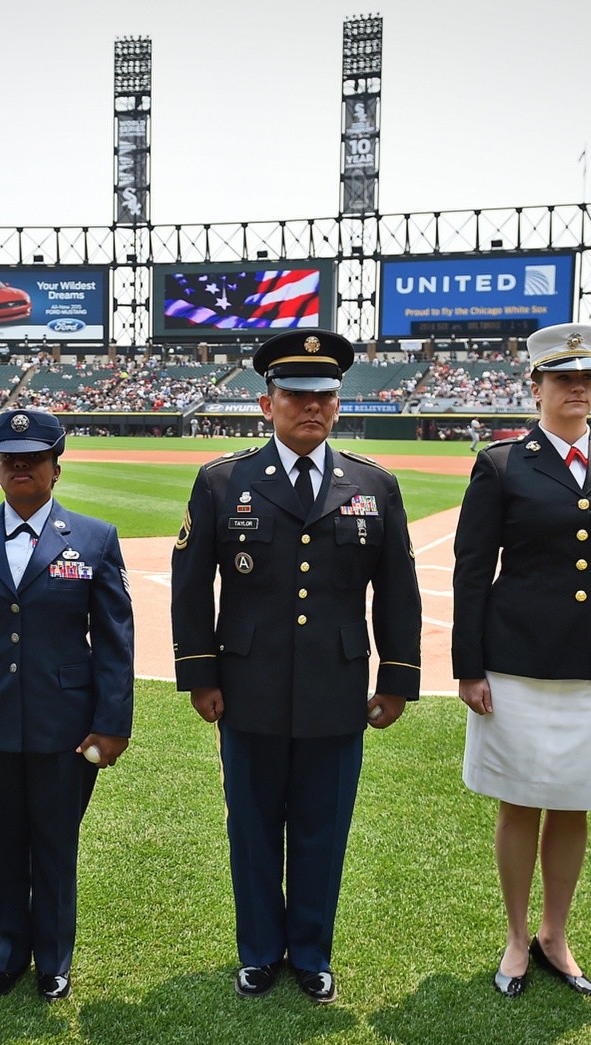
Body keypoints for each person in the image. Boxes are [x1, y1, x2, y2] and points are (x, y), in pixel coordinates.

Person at [171, 329, 421, 1004]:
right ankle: (258, 951)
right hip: (246, 689)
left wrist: (397, 679)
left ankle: (310, 952)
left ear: (338, 405)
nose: (310, 406)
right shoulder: (225, 481)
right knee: (252, 829)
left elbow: (397, 589)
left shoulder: (375, 486)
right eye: (295, 395)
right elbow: (191, 584)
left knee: (322, 829)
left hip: (336, 690)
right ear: (267, 403)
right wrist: (201, 674)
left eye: (323, 396)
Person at [450, 323, 591, 999]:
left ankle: (555, 935)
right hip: (517, 664)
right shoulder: (501, 465)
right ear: (536, 387)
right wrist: (470, 666)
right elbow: (472, 570)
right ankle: (517, 937)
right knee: (519, 803)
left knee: (575, 804)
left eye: (587, 378)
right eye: (563, 378)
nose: (577, 388)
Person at [0, 408, 134, 1001]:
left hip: (63, 725)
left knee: (53, 842)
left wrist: (111, 723)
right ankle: (7, 951)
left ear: (56, 468)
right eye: (9, 457)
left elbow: (116, 641)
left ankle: (54, 958)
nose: (20, 465)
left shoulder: (94, 539)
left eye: (34, 458)